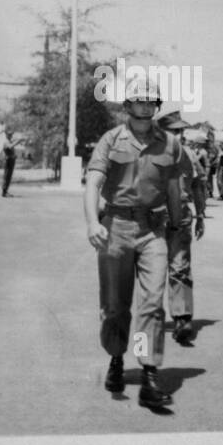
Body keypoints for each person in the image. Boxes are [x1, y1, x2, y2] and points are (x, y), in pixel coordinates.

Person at [83, 75, 182, 409]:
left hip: (153, 229)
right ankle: (115, 359)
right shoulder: (110, 140)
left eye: (150, 102)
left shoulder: (170, 143)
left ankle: (149, 373)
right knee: (115, 305)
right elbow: (93, 183)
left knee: (153, 303)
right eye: (138, 101)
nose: (144, 107)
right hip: (116, 227)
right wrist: (92, 222)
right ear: (127, 106)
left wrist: (180, 223)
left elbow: (172, 188)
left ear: (157, 106)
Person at [155, 108, 206, 345]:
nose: (180, 135)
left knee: (180, 268)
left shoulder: (189, 156)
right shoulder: (149, 154)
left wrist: (201, 214)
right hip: (153, 218)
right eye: (174, 131)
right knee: (152, 270)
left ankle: (182, 318)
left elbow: (197, 186)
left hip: (182, 216)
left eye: (181, 131)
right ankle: (152, 318)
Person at [0, 126, 22, 197]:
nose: (11, 136)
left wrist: (19, 140)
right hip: (8, 161)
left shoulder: (9, 141)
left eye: (11, 135)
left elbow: (13, 144)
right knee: (7, 176)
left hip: (11, 160)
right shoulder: (6, 142)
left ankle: (6, 191)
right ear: (6, 135)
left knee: (9, 177)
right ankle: (4, 192)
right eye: (9, 135)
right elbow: (10, 146)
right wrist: (18, 141)